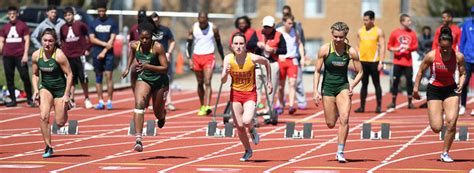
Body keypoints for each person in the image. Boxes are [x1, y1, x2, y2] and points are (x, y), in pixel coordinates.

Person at [413, 26, 466, 162]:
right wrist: (415, 89)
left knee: (452, 122)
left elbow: (463, 73)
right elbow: (420, 72)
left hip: (451, 90)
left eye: (448, 48)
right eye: (443, 48)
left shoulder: (458, 56)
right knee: (436, 127)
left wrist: (461, 83)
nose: (445, 50)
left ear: (452, 45)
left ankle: (445, 153)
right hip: (434, 90)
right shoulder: (431, 55)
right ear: (439, 45)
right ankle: (438, 115)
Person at [312, 22, 363, 163]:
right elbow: (317, 71)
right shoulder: (325, 49)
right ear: (332, 35)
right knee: (330, 123)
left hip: (343, 87)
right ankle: (334, 109)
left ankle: (340, 151)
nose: (338, 39)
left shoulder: (351, 51)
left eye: (341, 37)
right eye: (335, 36)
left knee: (345, 119)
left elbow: (360, 72)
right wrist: (315, 91)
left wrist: (352, 85)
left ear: (345, 36)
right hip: (327, 88)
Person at [221, 32, 271, 161]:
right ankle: (248, 150)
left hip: (250, 94)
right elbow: (222, 81)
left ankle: (253, 130)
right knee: (239, 127)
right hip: (235, 95)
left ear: (245, 45)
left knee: (247, 121)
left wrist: (269, 81)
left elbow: (266, 62)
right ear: (232, 46)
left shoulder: (252, 58)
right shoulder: (228, 59)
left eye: (241, 44)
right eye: (236, 44)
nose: (238, 46)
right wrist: (225, 74)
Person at [124, 21, 169, 152]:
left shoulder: (158, 48)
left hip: (160, 81)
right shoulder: (134, 45)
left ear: (152, 37)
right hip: (144, 78)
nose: (144, 41)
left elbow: (165, 68)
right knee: (139, 103)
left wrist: (148, 66)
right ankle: (138, 139)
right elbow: (131, 54)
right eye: (142, 38)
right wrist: (127, 68)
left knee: (157, 112)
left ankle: (162, 115)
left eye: (147, 38)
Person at [31, 28, 73, 158]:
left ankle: (65, 107)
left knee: (60, 123)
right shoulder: (36, 55)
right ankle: (48, 147)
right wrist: (36, 91)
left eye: (50, 41)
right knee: (43, 116)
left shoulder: (59, 55)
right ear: (41, 41)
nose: (47, 43)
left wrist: (67, 94)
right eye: (45, 40)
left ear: (55, 42)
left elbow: (70, 74)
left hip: (60, 89)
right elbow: (35, 74)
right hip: (46, 88)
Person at [186, 12, 224, 116]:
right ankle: (202, 105)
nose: (202, 24)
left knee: (207, 81)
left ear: (207, 19)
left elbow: (219, 44)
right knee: (200, 82)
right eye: (200, 22)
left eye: (204, 22)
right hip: (196, 57)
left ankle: (207, 105)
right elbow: (188, 45)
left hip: (209, 56)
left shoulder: (213, 28)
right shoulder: (193, 28)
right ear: (198, 20)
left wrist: (223, 58)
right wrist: (189, 59)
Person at [248, 16, 286, 115]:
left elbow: (284, 50)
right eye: (265, 27)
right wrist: (257, 43)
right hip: (258, 65)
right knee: (255, 87)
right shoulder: (257, 33)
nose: (267, 29)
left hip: (272, 64)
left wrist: (274, 50)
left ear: (273, 26)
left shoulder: (279, 35)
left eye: (269, 27)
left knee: (271, 87)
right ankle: (254, 108)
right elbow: (248, 45)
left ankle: (269, 109)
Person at [0, 6, 34, 107]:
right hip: (7, 56)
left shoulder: (23, 26)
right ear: (8, 15)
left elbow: (27, 40)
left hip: (20, 56)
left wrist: (25, 55)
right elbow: (1, 41)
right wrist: (1, 51)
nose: (12, 16)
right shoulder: (5, 27)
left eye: (13, 14)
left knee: (25, 77)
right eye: (10, 14)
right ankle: (13, 100)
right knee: (9, 78)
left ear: (17, 14)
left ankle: (29, 98)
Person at [60, 6, 93, 109]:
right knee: (71, 78)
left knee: (83, 78)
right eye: (65, 15)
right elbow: (62, 41)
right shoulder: (63, 28)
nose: (67, 17)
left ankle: (87, 98)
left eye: (69, 15)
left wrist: (87, 48)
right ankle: (72, 99)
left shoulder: (80, 25)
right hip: (69, 56)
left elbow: (89, 36)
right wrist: (63, 52)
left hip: (79, 55)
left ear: (73, 15)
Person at [277, 5, 307, 110]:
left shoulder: (295, 31)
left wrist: (302, 57)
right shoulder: (278, 31)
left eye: (292, 23)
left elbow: (300, 44)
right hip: (281, 60)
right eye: (289, 23)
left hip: (292, 60)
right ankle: (280, 104)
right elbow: (274, 45)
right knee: (280, 86)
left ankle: (291, 105)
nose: (290, 25)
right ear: (284, 22)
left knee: (293, 83)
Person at [89, 1, 118, 110]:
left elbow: (112, 38)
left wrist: (104, 51)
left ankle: (109, 101)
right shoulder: (93, 23)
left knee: (109, 76)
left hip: (108, 54)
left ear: (106, 11)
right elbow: (92, 39)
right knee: (98, 77)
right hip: (96, 53)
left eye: (102, 10)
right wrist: (104, 44)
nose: (101, 12)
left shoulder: (112, 22)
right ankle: (100, 101)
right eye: (99, 11)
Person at [354, 10, 385, 113]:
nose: (365, 22)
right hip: (363, 61)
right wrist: (356, 61)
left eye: (366, 20)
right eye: (364, 20)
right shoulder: (360, 31)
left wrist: (381, 62)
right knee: (364, 84)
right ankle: (362, 107)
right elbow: (357, 46)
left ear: (372, 20)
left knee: (376, 84)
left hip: (374, 62)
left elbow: (383, 47)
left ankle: (379, 106)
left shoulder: (379, 31)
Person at [387, 14, 418, 109]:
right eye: (408, 21)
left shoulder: (412, 33)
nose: (410, 22)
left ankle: (410, 102)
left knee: (409, 82)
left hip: (408, 62)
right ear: (402, 22)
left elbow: (415, 46)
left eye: (410, 20)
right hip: (397, 62)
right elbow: (389, 46)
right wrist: (395, 49)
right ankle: (393, 102)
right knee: (395, 81)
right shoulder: (395, 33)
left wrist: (409, 47)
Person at [150, 12, 176, 111]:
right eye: (153, 21)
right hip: (152, 59)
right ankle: (156, 102)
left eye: (156, 20)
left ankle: (169, 102)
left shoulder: (165, 30)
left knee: (167, 80)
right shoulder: (148, 31)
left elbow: (172, 41)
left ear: (159, 19)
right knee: (153, 81)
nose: (155, 22)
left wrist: (169, 52)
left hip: (164, 58)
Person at [460, 7, 474, 116]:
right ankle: (463, 105)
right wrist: (461, 55)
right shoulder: (466, 24)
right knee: (464, 83)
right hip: (468, 58)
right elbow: (462, 40)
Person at [416, 26, 434, 109]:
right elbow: (417, 49)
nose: (427, 32)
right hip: (422, 58)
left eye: (428, 31)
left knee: (429, 79)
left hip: (431, 59)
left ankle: (429, 100)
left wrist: (429, 54)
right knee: (421, 76)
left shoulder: (433, 38)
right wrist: (423, 54)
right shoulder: (420, 39)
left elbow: (434, 48)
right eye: (425, 31)